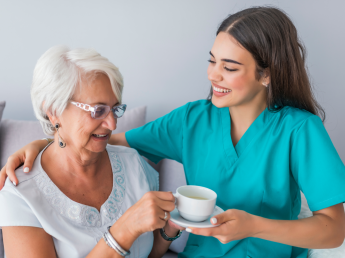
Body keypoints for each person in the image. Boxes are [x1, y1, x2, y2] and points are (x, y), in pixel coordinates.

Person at [1, 6, 345, 258]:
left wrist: (253, 225)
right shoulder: (192, 120)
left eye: (229, 67)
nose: (214, 76)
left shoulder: (300, 130)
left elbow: (333, 229)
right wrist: (44, 141)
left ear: (266, 75)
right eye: (212, 61)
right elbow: (106, 137)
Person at [0, 46, 182, 258]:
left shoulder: (134, 164)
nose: (112, 124)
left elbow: (149, 253)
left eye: (115, 109)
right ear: (54, 111)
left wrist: (171, 228)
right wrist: (124, 230)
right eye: (98, 110)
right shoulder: (20, 192)